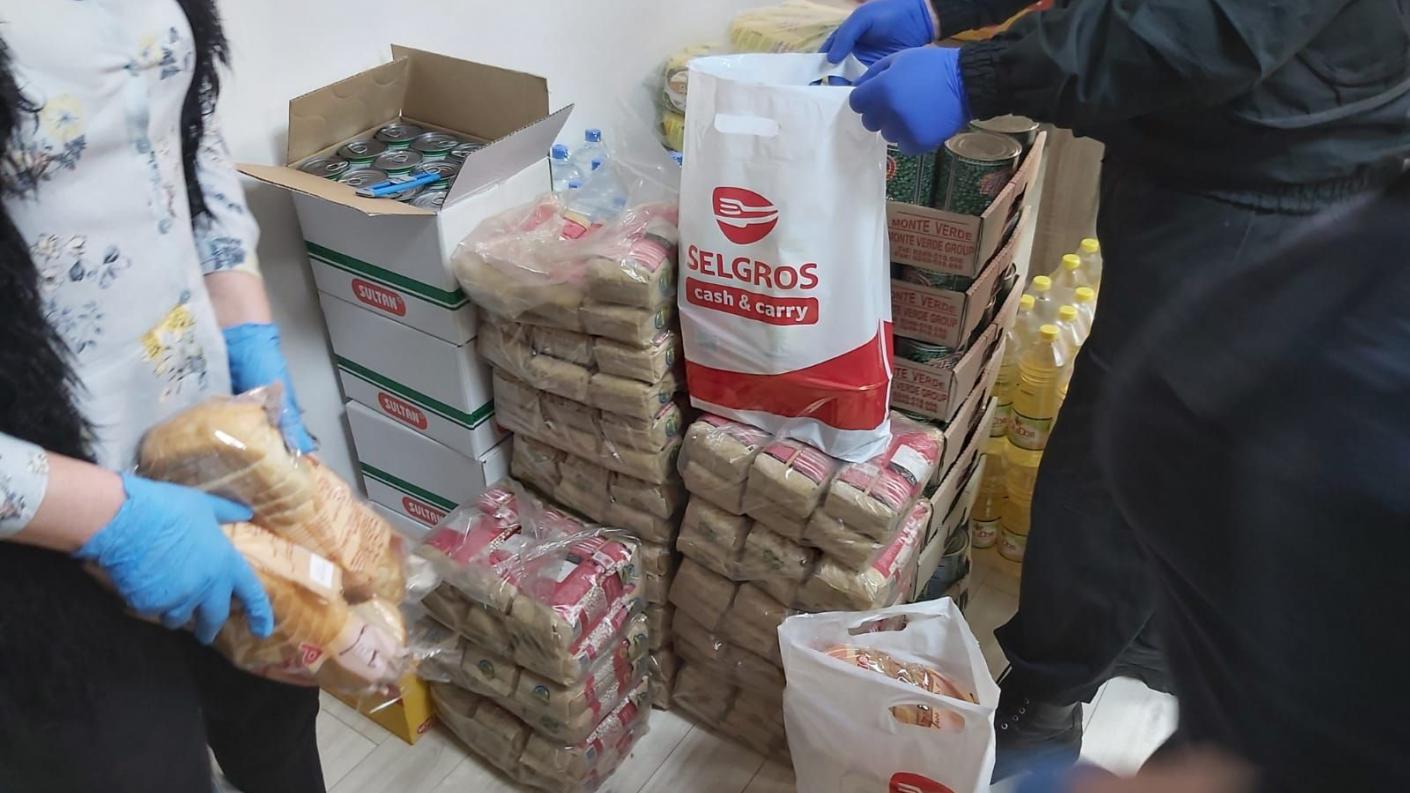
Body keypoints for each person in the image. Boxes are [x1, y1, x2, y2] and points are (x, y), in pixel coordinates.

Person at [824, 0, 1410, 780]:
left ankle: (1053, 695)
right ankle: (1136, 636)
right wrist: (949, 9)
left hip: (1269, 181)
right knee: (1157, 456)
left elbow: (1207, 27)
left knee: (1133, 460)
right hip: (1215, 151)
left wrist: (984, 75)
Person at [0, 2, 324, 792]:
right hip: (42, 538)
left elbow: (189, 132)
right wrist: (107, 518)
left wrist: (246, 328)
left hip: (210, 448)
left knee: (278, 722)